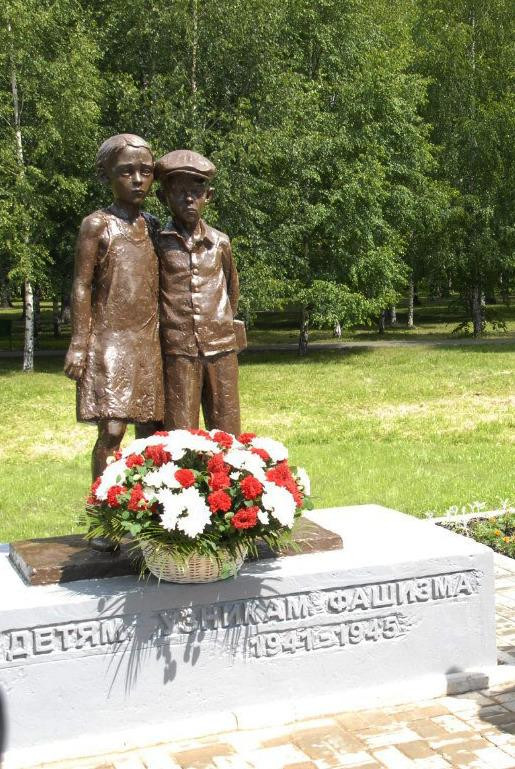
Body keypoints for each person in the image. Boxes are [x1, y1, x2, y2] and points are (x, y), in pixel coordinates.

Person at [64, 133, 164, 549]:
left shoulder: (155, 227)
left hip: (149, 343)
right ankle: (105, 520)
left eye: (145, 171)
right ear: (108, 174)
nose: (138, 179)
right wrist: (79, 342)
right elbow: (82, 286)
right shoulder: (97, 225)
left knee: (153, 434)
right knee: (112, 431)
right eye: (127, 171)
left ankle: (154, 516)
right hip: (111, 343)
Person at [154, 149, 244, 435]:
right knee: (180, 432)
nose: (189, 198)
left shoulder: (219, 242)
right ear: (163, 197)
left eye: (196, 191)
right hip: (178, 348)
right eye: (179, 192)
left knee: (227, 428)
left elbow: (231, 288)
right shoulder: (157, 243)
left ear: (209, 196)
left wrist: (218, 323)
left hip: (221, 345)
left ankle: (231, 479)